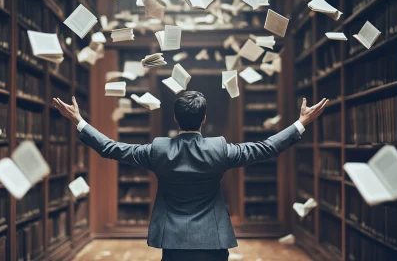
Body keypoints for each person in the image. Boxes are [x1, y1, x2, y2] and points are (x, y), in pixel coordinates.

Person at [53, 91, 328, 261]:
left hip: (173, 239)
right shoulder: (219, 149)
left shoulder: (159, 150)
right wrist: (300, 123)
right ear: (204, 118)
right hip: (213, 239)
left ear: (175, 119)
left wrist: (79, 120)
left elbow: (110, 148)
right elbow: (266, 148)